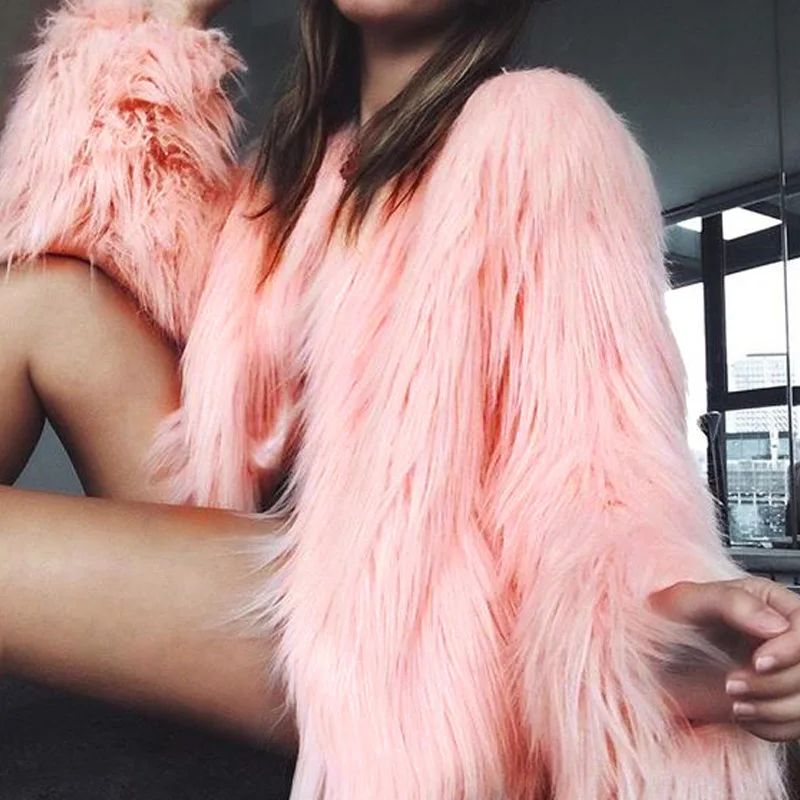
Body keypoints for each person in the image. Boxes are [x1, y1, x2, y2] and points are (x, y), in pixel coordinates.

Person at [0, 0, 798, 796]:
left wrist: (643, 628)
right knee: (41, 297)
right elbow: (101, 222)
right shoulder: (285, 183)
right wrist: (170, 13)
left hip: (395, 625)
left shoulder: (539, 130)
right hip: (254, 536)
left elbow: (598, 460)